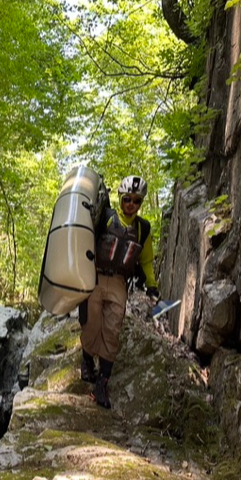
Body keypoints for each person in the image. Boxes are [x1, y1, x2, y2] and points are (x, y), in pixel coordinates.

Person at [79, 175, 159, 408]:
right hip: (95, 276)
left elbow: (146, 261)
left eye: (136, 201)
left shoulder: (143, 229)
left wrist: (152, 284)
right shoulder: (104, 218)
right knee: (91, 325)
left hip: (119, 284)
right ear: (120, 199)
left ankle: (102, 382)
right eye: (127, 199)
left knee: (112, 330)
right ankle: (86, 359)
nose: (131, 204)